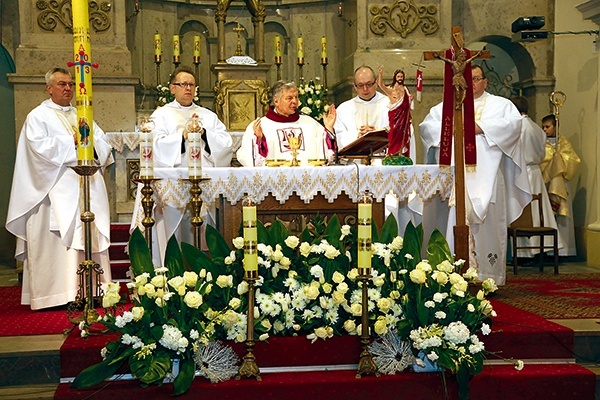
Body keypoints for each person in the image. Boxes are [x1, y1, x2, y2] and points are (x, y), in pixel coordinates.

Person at [5, 67, 114, 310]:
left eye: (70, 84)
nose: (67, 88)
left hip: (86, 186)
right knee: (57, 243)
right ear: (49, 88)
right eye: (62, 84)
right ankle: (57, 294)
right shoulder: (38, 116)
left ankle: (92, 290)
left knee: (88, 235)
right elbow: (37, 149)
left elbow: (102, 144)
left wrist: (91, 145)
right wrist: (72, 142)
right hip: (52, 190)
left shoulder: (83, 115)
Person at [420, 65, 531, 285]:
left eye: (476, 79)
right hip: (452, 180)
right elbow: (426, 128)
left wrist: (479, 127)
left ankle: (488, 277)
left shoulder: (501, 105)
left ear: (485, 82)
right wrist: (449, 126)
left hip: (488, 177)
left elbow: (513, 126)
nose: (471, 85)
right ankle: (450, 276)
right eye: (466, 81)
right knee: (451, 221)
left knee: (489, 226)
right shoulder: (446, 107)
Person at [131, 65, 233, 263]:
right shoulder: (161, 115)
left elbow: (226, 144)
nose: (188, 88)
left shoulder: (208, 116)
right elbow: (154, 144)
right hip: (174, 183)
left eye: (192, 85)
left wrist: (205, 135)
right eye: (183, 84)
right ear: (172, 88)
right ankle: (174, 270)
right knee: (174, 234)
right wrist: (182, 138)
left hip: (204, 183)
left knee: (204, 231)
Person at [236, 80, 336, 167]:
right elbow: (249, 160)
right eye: (289, 98)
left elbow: (328, 156)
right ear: (276, 101)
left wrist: (329, 129)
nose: (295, 101)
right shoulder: (260, 126)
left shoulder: (310, 123)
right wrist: (259, 140)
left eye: (296, 97)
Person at [510, 97, 562, 258]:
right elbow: (541, 154)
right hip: (534, 171)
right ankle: (540, 249)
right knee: (539, 211)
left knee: (524, 210)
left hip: (519, 171)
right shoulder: (536, 128)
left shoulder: (515, 127)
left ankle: (524, 253)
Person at [541, 114, 580, 257]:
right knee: (547, 215)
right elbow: (540, 160)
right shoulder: (541, 142)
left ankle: (564, 251)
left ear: (556, 127)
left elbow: (574, 161)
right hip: (546, 183)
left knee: (562, 216)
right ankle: (547, 250)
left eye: (548, 127)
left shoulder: (564, 143)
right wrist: (551, 161)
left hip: (561, 185)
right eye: (543, 127)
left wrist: (560, 160)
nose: (545, 130)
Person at [332, 66, 390, 150]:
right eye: (360, 85)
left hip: (382, 160)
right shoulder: (344, 109)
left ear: (376, 83)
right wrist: (357, 135)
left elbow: (399, 132)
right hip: (355, 160)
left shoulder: (389, 105)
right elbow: (338, 135)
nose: (365, 89)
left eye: (369, 84)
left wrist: (377, 134)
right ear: (355, 86)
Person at [377, 66, 413, 158]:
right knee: (393, 134)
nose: (400, 78)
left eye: (401, 76)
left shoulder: (405, 89)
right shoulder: (391, 89)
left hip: (403, 117)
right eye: (398, 76)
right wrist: (380, 73)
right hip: (395, 116)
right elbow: (381, 85)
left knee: (403, 135)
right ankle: (392, 153)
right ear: (395, 77)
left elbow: (407, 103)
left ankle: (401, 153)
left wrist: (409, 99)